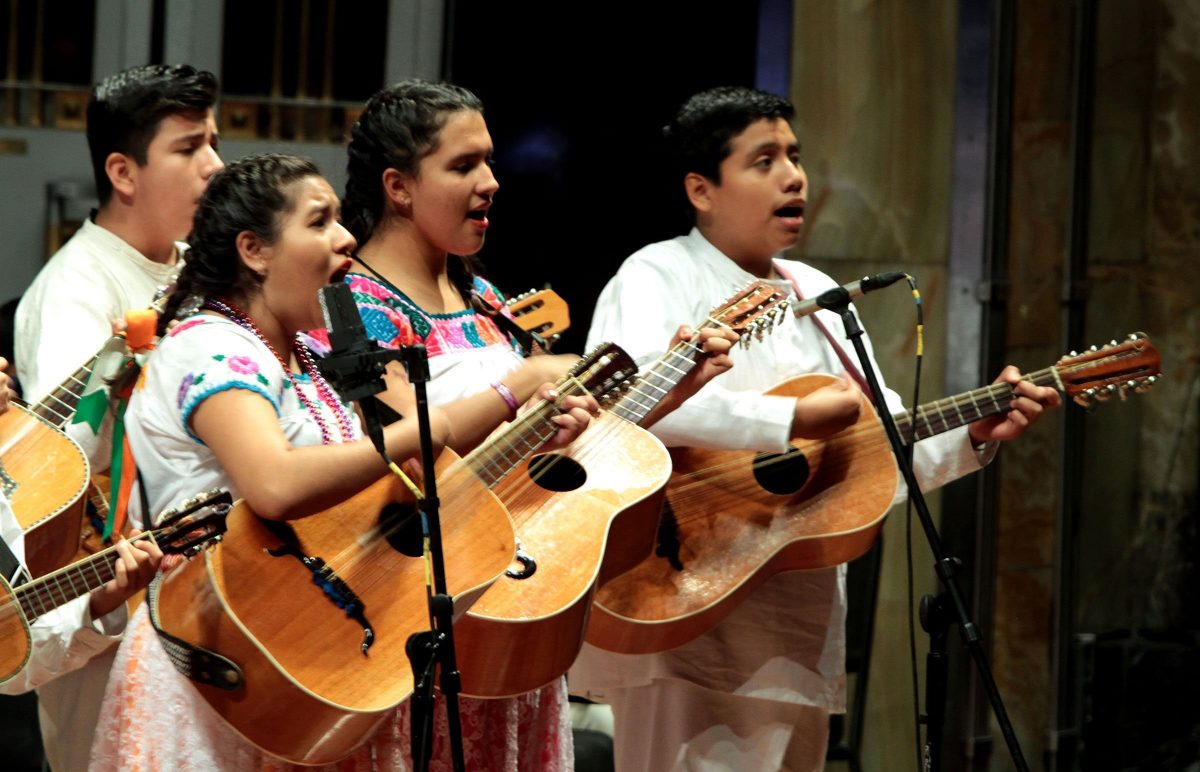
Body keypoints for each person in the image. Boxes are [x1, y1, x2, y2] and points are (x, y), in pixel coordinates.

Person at [569, 86, 1062, 771]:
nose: (794, 176)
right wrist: (790, 416)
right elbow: (630, 408)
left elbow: (875, 447)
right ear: (701, 189)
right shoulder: (657, 273)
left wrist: (973, 434)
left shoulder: (814, 292)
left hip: (793, 619)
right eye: (763, 160)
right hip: (679, 598)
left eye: (794, 156)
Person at [328, 79, 738, 770]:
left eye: (488, 161)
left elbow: (548, 451)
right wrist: (518, 382)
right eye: (463, 166)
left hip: (519, 588)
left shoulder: (485, 298)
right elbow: (396, 456)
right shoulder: (350, 306)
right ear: (398, 187)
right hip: (422, 605)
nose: (490, 182)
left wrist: (671, 389)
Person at [10, 63, 222, 772]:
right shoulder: (74, 293)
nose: (215, 165)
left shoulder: (199, 268)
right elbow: (65, 491)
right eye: (189, 147)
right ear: (124, 173)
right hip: (110, 606)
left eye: (213, 142)